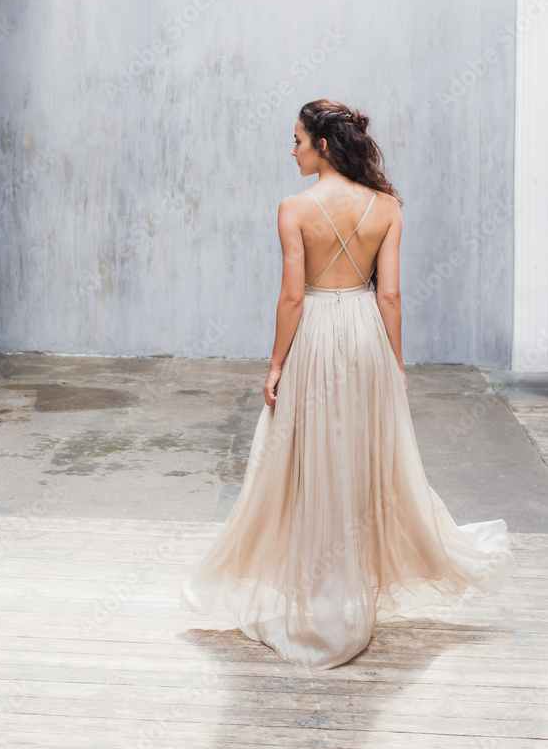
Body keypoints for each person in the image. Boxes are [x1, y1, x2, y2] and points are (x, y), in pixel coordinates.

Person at [179, 98, 517, 669]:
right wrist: (396, 363)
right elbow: (389, 295)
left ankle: (318, 600)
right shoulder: (386, 207)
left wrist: (276, 363)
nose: (292, 152)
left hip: (315, 333)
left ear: (324, 146)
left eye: (297, 141)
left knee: (310, 462)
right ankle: (346, 594)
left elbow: (291, 296)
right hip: (364, 336)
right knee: (359, 460)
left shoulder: (293, 209)